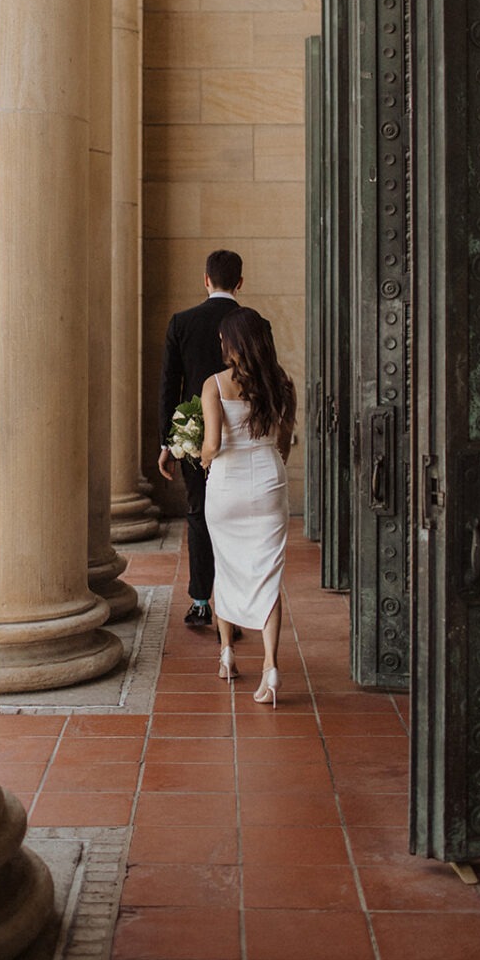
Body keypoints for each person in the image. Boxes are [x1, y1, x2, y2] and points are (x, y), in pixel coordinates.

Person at [200, 307, 296, 706]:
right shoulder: (283, 383)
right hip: (269, 482)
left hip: (227, 486)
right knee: (268, 577)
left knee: (225, 566)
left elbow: (213, 445)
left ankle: (227, 656)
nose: (221, 344)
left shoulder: (215, 384)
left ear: (234, 343)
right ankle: (271, 669)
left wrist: (202, 461)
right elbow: (285, 442)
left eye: (224, 338)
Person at [158, 249, 245, 628]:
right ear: (240, 282)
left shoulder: (182, 322)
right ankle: (234, 604)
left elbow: (169, 386)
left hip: (195, 438)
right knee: (236, 520)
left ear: (205, 279)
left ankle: (199, 601)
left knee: (198, 515)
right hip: (241, 435)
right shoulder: (254, 324)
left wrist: (167, 442)